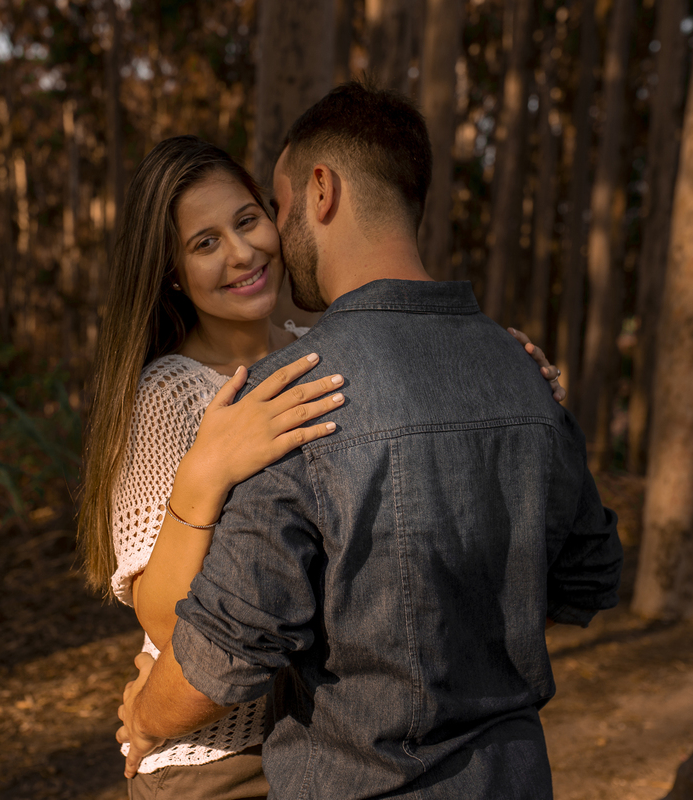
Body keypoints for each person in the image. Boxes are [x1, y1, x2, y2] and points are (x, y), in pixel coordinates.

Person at [115, 83, 623, 799]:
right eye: (204, 242)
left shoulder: (302, 381)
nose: (252, 248)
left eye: (266, 212)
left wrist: (144, 711)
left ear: (319, 192)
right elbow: (588, 577)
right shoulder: (507, 365)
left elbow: (230, 644)